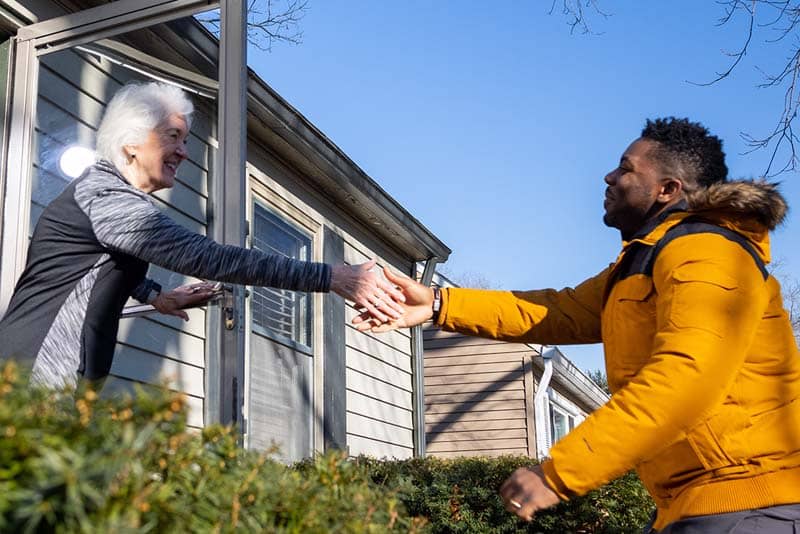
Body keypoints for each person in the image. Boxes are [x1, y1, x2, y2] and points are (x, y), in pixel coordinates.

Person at [358, 118, 800, 532]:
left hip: (751, 504)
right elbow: (558, 310)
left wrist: (559, 472)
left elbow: (687, 379)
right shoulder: (642, 262)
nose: (609, 177)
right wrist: (437, 303)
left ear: (667, 188)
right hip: (695, 506)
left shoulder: (708, 252)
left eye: (625, 169)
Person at [0, 81, 404, 390]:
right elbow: (209, 257)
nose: (183, 151)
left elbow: (83, 264)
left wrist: (155, 294)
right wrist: (331, 277)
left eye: (186, 139)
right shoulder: (107, 197)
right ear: (131, 144)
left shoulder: (104, 197)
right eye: (172, 136)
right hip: (33, 374)